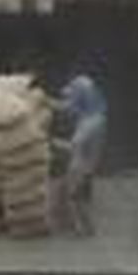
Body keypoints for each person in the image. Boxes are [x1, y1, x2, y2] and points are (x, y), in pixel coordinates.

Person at [52, 75, 108, 236]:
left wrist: (53, 142)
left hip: (81, 167)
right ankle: (85, 228)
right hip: (87, 165)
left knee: (74, 197)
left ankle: (82, 230)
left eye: (73, 97)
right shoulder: (96, 113)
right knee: (80, 197)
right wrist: (49, 102)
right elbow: (68, 107)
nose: (70, 102)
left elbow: (73, 146)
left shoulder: (89, 126)